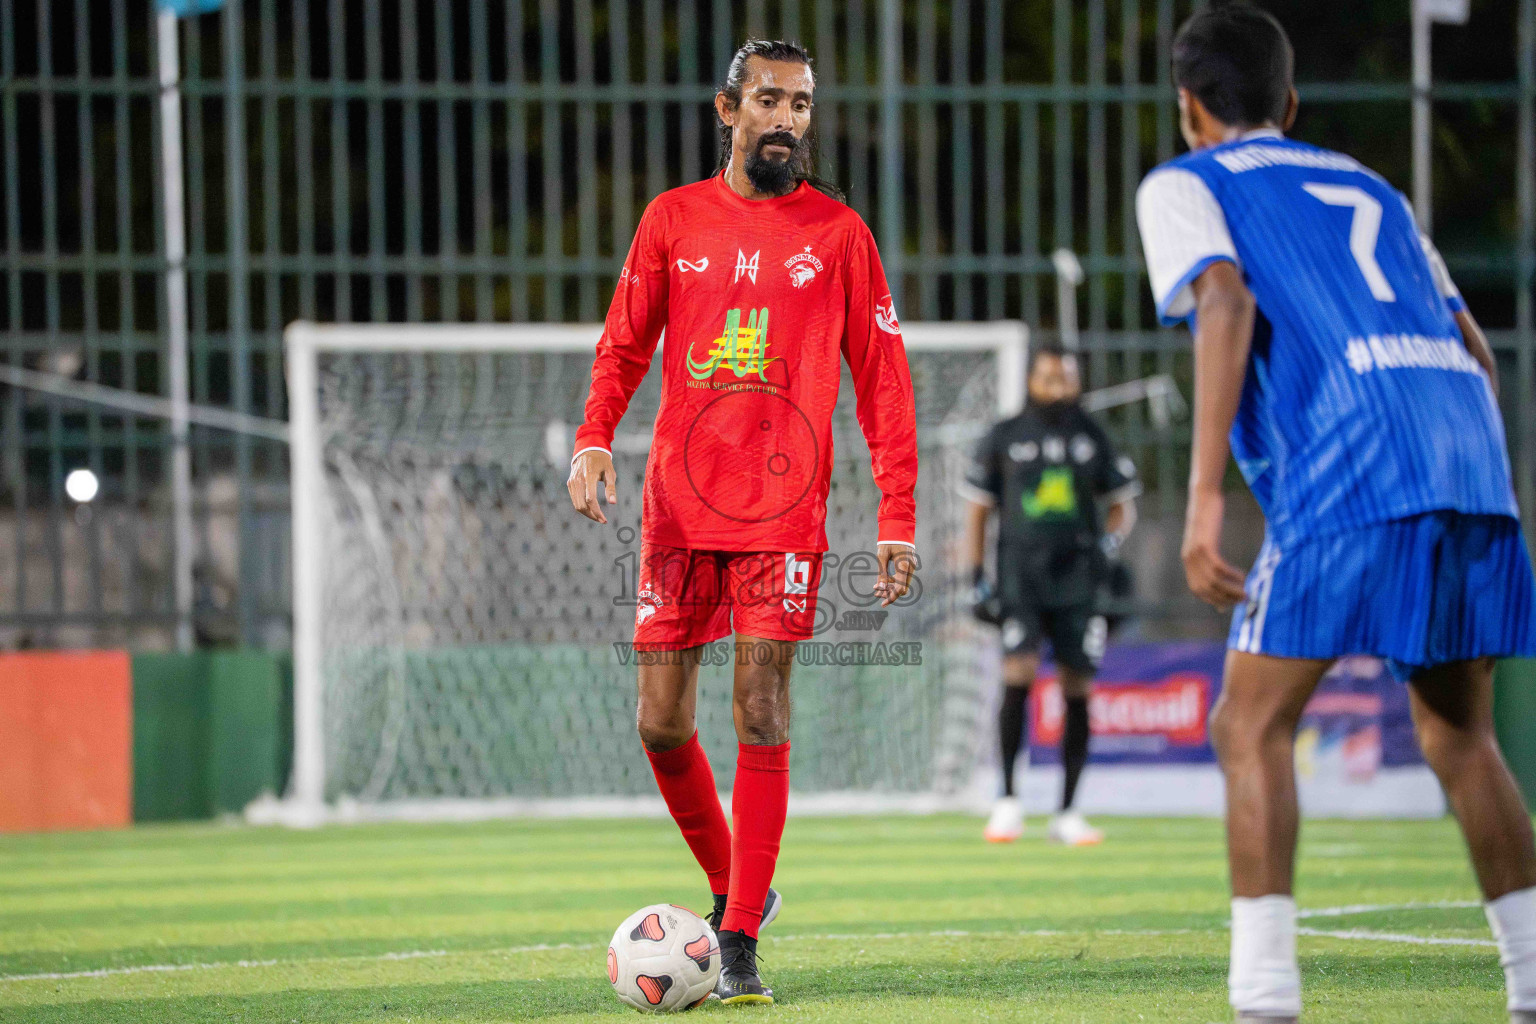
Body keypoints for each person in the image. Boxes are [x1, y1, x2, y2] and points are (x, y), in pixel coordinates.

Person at [1135, 4, 1536, 1022]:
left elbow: (1221, 300)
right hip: (1468, 452)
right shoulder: (1374, 187)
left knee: (1248, 723)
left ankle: (1264, 999)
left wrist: (1202, 502)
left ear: (1189, 107)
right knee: (1460, 735)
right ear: (1292, 101)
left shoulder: (1188, 183)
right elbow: (1477, 349)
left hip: (1349, 461)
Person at [567, 38, 919, 1006]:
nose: (788, 120)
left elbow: (884, 383)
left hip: (784, 514)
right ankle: (736, 886)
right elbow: (622, 341)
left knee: (759, 708)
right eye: (769, 101)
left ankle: (740, 934)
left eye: (801, 104)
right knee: (659, 721)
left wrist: (897, 516)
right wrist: (592, 437)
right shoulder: (672, 220)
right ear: (728, 111)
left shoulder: (840, 234)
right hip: (678, 510)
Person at [962, 342, 1140, 847]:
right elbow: (978, 510)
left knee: (1078, 684)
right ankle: (1008, 802)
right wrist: (978, 573)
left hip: (1080, 581)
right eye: (1048, 377)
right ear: (1031, 380)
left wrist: (1107, 545)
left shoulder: (1093, 434)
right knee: (1017, 671)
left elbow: (1122, 505)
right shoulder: (1006, 435)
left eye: (1066, 378)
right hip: (1020, 575)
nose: (1058, 387)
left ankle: (1068, 811)